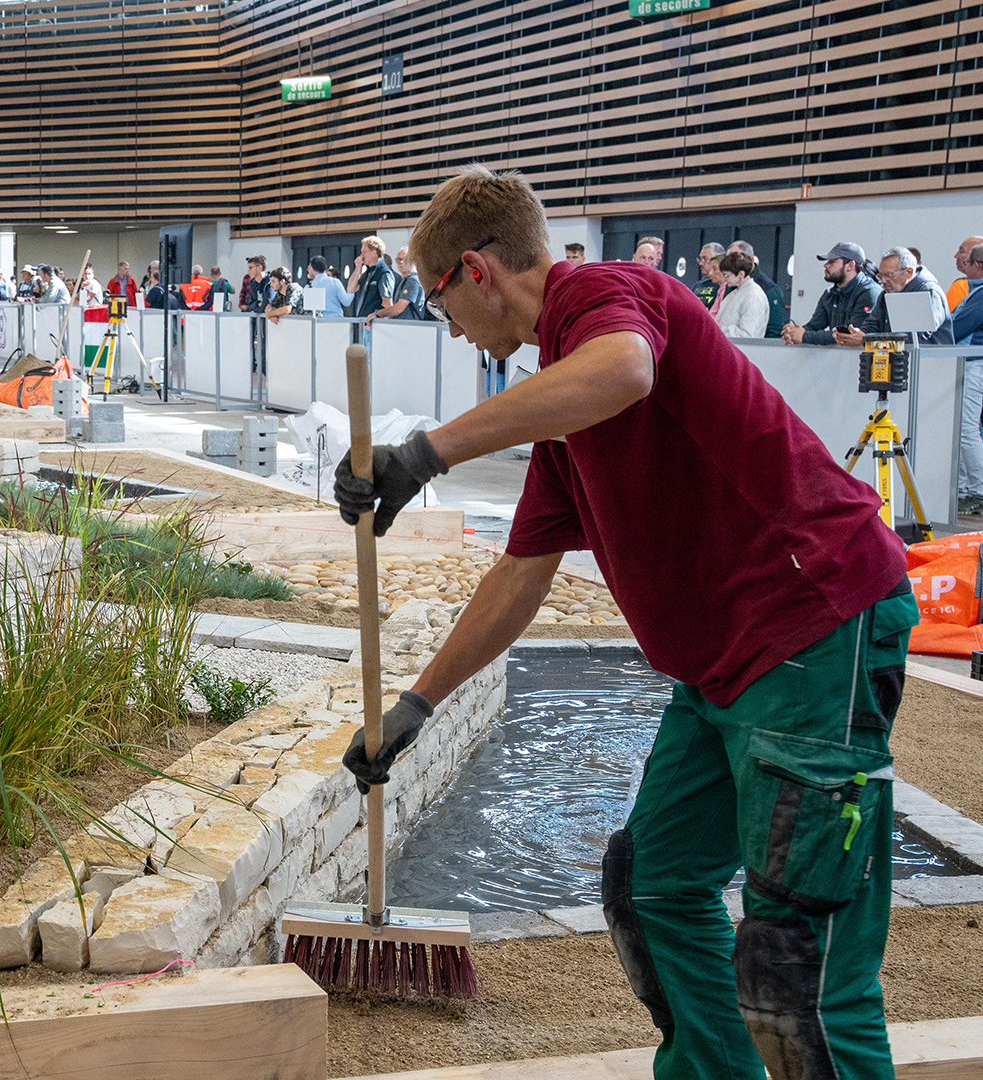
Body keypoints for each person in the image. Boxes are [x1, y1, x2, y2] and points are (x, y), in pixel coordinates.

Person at [337, 165, 912, 1080]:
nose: (440, 320)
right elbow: (520, 574)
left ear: (477, 272)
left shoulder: (607, 295)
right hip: (724, 671)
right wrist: (416, 706)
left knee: (798, 960)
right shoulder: (562, 396)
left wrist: (426, 451)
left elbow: (628, 369)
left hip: (815, 628)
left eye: (436, 294)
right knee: (653, 888)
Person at [841, 247, 952, 347]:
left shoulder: (929, 292)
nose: (883, 281)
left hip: (932, 364)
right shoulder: (887, 293)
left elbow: (915, 337)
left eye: (889, 275)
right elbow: (873, 325)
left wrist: (867, 339)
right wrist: (856, 334)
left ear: (909, 272)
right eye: (881, 275)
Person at [782, 242, 881, 345]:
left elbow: (849, 335)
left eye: (832, 261)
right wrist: (793, 333)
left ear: (850, 266)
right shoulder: (830, 294)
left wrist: (804, 336)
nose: (826, 265)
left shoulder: (869, 293)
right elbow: (815, 325)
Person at [949, 238, 983, 515]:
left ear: (978, 266)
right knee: (961, 428)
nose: (961, 262)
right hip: (967, 364)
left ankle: (978, 491)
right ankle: (962, 489)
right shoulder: (974, 291)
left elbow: (957, 327)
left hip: (974, 364)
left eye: (967, 260)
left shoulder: (981, 294)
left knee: (967, 429)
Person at [728, 241, 788, 336]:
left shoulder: (770, 289)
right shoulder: (730, 287)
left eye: (736, 261)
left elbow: (775, 330)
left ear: (751, 261)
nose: (731, 266)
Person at [710, 252, 768, 338]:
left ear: (741, 274)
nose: (725, 279)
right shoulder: (734, 294)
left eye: (727, 275)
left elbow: (748, 335)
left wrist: (720, 329)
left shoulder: (754, 297)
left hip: (742, 349)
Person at [366, 247, 425, 323]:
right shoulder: (404, 280)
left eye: (405, 259)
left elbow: (399, 308)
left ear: (413, 260)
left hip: (410, 327)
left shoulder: (412, 281)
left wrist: (378, 314)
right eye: (398, 260)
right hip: (402, 326)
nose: (401, 262)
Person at [347, 237, 396, 319]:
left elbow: (387, 304)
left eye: (364, 252)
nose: (361, 255)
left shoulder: (383, 273)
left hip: (374, 324)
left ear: (374, 253)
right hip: (363, 321)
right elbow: (350, 289)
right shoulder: (368, 272)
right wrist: (358, 268)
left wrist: (377, 316)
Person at [690, 242, 725, 310]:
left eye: (705, 259)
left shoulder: (723, 286)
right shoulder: (697, 286)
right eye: (700, 259)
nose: (701, 263)